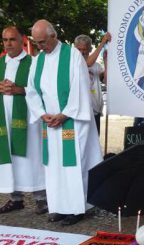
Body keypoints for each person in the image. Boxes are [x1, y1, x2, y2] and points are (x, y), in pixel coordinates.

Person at [26, 20, 102, 226]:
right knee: (54, 166)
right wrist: (42, 114)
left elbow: (80, 87)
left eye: (42, 41)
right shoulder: (38, 60)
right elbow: (31, 90)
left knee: (73, 164)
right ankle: (59, 207)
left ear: (53, 36)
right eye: (37, 42)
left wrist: (65, 114)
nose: (40, 46)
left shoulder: (72, 55)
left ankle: (77, 208)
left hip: (72, 122)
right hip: (50, 123)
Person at [0, 26, 46, 215]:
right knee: (10, 158)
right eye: (5, 40)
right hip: (4, 120)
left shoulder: (33, 62)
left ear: (22, 40)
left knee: (32, 157)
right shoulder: (0, 62)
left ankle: (41, 199)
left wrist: (20, 90)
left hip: (27, 120)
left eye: (12, 39)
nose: (8, 43)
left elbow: (43, 89)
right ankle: (15, 198)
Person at [74, 32, 111, 134]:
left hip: (95, 111)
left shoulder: (97, 65)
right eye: (79, 49)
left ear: (90, 49)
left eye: (84, 49)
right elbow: (88, 63)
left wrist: (106, 62)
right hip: (81, 111)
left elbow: (106, 81)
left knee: (95, 143)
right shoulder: (73, 63)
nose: (81, 52)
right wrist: (103, 42)